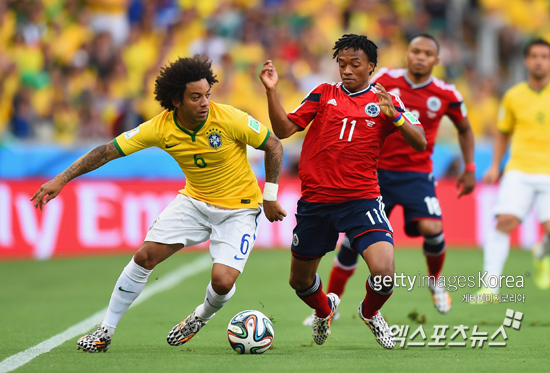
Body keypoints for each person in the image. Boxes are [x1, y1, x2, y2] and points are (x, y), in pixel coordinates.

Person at [31, 56, 287, 353]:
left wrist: (269, 196)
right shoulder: (160, 128)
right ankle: (105, 330)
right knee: (144, 257)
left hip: (240, 209)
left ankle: (200, 316)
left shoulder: (230, 118)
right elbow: (107, 151)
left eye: (207, 95)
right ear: (176, 100)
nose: (205, 102)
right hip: (194, 202)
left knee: (222, 281)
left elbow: (274, 145)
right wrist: (62, 178)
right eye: (196, 97)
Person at [259, 34, 427, 349]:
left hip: (361, 200)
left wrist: (397, 118)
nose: (346, 70)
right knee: (300, 281)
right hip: (316, 203)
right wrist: (272, 91)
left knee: (384, 273)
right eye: (342, 64)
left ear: (371, 67)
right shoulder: (323, 93)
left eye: (355, 64)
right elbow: (283, 130)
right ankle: (325, 310)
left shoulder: (386, 102)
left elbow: (420, 141)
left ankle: (370, 311)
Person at [303, 34, 475, 324]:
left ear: (436, 60)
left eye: (426, 53)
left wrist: (469, 167)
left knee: (432, 226)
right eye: (414, 51)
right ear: (407, 54)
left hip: (417, 172)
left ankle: (435, 280)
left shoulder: (448, 93)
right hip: (375, 172)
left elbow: (465, 128)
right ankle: (331, 304)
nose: (420, 57)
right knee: (352, 241)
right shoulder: (384, 79)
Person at [482, 38, 550, 293]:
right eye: (534, 56)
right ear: (526, 61)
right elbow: (502, 133)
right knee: (505, 221)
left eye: (544, 56)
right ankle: (490, 287)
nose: (539, 61)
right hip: (519, 168)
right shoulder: (513, 96)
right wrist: (494, 166)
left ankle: (543, 252)